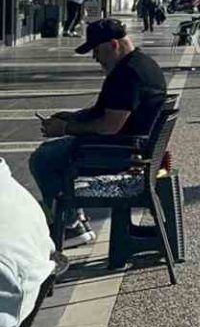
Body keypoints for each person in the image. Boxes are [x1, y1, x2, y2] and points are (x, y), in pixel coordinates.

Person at [30, 19, 167, 248]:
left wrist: (64, 129)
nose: (95, 58)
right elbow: (106, 111)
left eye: (96, 50)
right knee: (51, 155)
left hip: (117, 152)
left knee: (43, 159)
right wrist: (73, 117)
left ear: (113, 45)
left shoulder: (127, 75)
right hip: (130, 148)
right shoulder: (142, 64)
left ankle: (72, 226)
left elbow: (109, 126)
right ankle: (75, 221)